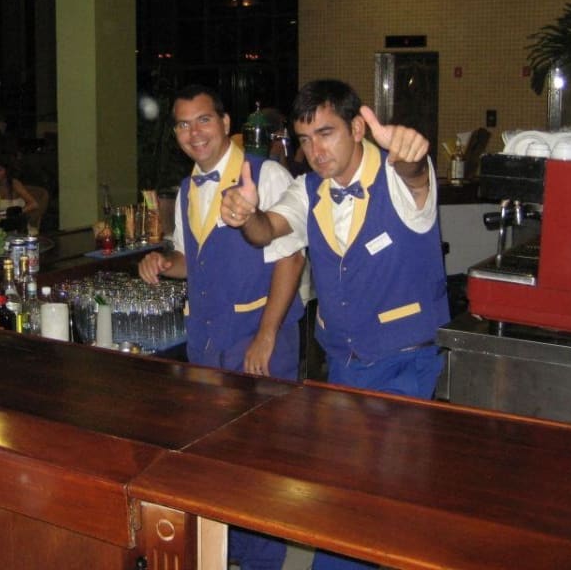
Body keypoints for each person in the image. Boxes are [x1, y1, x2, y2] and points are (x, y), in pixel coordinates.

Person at [221, 79, 448, 570]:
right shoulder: (309, 190)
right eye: (305, 140)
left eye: (326, 134)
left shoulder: (396, 175)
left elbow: (416, 180)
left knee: (380, 498)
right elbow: (268, 232)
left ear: (358, 128)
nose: (315, 151)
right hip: (344, 364)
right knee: (344, 495)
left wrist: (411, 157)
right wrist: (246, 216)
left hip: (404, 364)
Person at [138, 85, 305, 570]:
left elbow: (291, 259)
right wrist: (163, 262)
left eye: (204, 120)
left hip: (257, 339)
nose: (194, 133)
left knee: (261, 467)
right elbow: (192, 259)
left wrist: (267, 336)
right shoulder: (188, 189)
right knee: (218, 466)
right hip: (208, 345)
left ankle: (261, 564)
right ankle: (227, 557)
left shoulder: (265, 174)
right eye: (183, 124)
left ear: (226, 123)